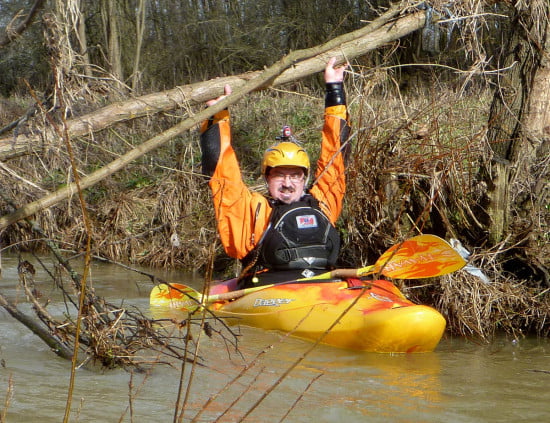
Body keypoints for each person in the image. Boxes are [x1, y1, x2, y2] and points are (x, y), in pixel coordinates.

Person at [200, 57, 351, 288]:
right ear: (267, 178)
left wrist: (335, 89)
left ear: (305, 179)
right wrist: (217, 115)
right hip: (268, 290)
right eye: (279, 175)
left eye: (295, 175)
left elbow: (336, 153)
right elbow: (223, 173)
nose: (288, 183)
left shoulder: (323, 204)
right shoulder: (252, 210)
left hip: (322, 288)